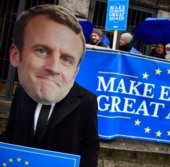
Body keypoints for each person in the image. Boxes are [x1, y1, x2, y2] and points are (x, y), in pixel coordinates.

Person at [0, 4, 99, 167]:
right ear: (16, 55)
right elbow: (11, 133)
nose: (53, 68)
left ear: (75, 71)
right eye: (42, 51)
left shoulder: (86, 101)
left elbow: (90, 147)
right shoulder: (22, 91)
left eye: (66, 59)